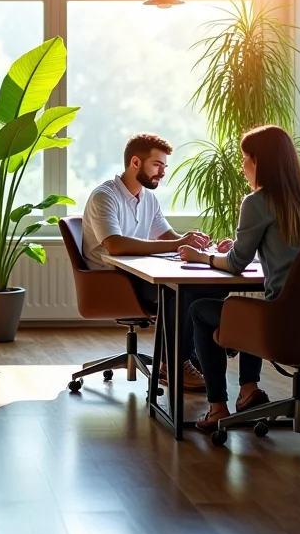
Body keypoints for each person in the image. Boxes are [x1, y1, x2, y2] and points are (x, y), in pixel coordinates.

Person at [179, 125, 300, 433]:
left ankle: (217, 409)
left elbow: (236, 265)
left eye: (245, 158)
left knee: (201, 309)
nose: (241, 165)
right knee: (249, 308)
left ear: (259, 162)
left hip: (284, 324)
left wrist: (203, 257)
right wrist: (245, 250)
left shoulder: (257, 202)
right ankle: (249, 392)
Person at [81, 133, 219, 392]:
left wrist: (195, 244)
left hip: (137, 276)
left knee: (206, 288)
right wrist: (176, 244)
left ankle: (191, 356)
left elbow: (169, 237)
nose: (163, 172)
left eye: (164, 166)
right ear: (135, 162)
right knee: (180, 293)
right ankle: (174, 362)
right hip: (112, 283)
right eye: (157, 165)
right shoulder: (105, 196)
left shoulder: (148, 198)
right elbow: (116, 245)